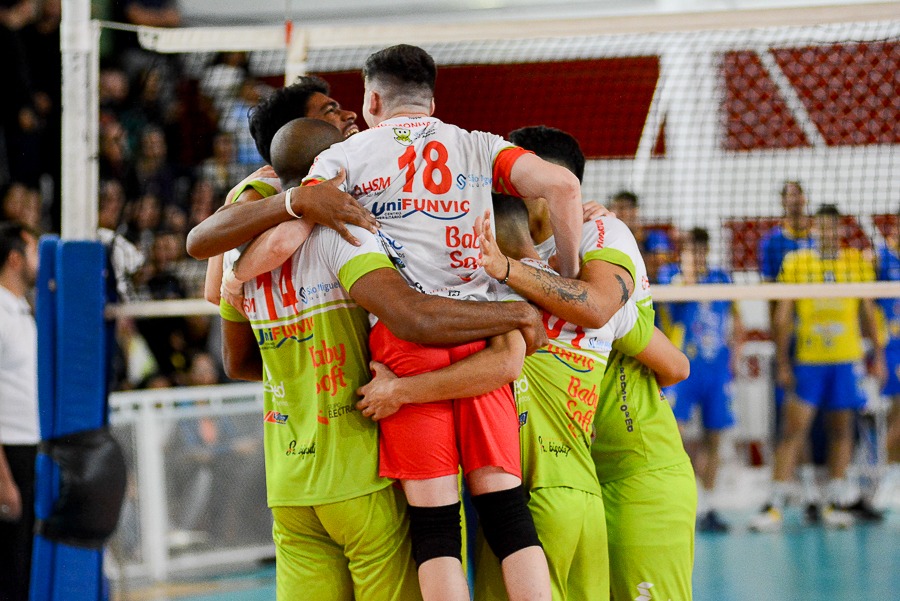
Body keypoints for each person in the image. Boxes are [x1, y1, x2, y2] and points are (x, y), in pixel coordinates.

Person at [299, 46, 584, 601]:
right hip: (483, 330)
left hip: (407, 341)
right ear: (432, 98)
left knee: (436, 533)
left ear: (373, 99)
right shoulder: (477, 144)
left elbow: (302, 210)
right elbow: (564, 188)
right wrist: (566, 280)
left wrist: (236, 274)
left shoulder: (350, 152)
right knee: (507, 514)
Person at [219, 118, 546, 601]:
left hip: (291, 482)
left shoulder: (239, 261)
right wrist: (516, 310)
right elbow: (413, 315)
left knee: (436, 530)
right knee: (504, 514)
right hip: (357, 467)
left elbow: (237, 362)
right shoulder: (345, 238)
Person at [507, 125, 695, 601]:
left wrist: (509, 268)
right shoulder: (511, 245)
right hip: (567, 478)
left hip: (636, 472)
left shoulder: (602, 240)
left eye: (514, 175)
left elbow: (674, 366)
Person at [751, 204, 887, 531]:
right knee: (793, 430)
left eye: (833, 228)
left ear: (840, 230)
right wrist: (783, 362)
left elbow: (868, 312)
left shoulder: (854, 263)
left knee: (842, 430)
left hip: (845, 360)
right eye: (822, 227)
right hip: (809, 361)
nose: (827, 233)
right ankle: (774, 505)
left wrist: (878, 356)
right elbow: (783, 316)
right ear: (815, 229)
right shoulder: (798, 263)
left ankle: (834, 502)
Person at [657, 227, 745, 533]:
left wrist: (735, 355)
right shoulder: (671, 277)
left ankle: (708, 503)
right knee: (673, 437)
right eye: (691, 250)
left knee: (715, 436)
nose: (696, 256)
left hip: (716, 369)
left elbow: (736, 319)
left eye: (700, 250)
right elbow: (668, 310)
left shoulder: (721, 278)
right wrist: (689, 275)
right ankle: (684, 499)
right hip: (682, 369)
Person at [0, 221, 39, 601]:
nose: (38, 261)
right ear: (15, 259)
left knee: (25, 562)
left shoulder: (22, 311)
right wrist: (3, 479)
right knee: (10, 567)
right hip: (9, 454)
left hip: (29, 451)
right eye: (33, 252)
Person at [874, 208, 900, 508]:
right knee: (897, 415)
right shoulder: (883, 258)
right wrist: (878, 353)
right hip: (893, 348)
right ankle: (889, 479)